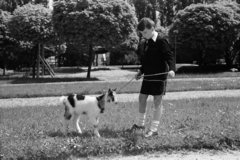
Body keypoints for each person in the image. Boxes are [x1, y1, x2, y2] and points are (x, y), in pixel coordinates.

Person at [131, 17, 175, 138]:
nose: (143, 35)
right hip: (147, 77)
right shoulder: (146, 42)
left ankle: (154, 130)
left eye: (145, 32)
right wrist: (140, 71)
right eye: (141, 33)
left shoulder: (161, 41)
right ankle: (140, 126)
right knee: (142, 98)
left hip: (159, 78)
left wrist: (171, 69)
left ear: (152, 28)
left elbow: (169, 57)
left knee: (157, 102)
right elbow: (146, 61)